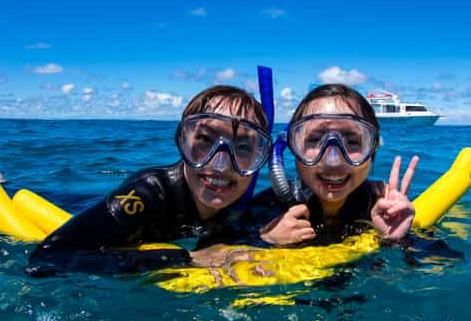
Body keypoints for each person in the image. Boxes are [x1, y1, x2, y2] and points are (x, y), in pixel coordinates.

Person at [28, 85, 272, 276]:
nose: (221, 164)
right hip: (75, 206)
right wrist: (184, 259)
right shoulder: (147, 194)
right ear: (182, 142)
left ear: (259, 157)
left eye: (242, 147)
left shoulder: (242, 205)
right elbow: (48, 256)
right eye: (205, 140)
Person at [258, 84, 419, 246]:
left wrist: (397, 240)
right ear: (294, 148)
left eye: (352, 141)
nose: (333, 160)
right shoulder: (265, 212)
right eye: (314, 140)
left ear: (373, 149)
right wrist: (267, 243)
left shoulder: (383, 207)